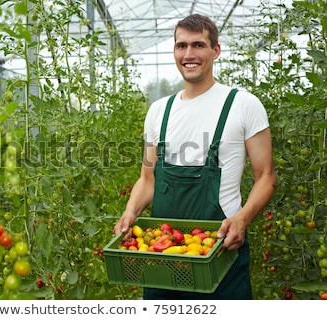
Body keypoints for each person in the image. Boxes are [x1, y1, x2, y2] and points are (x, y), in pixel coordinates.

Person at [113, 13, 277, 300]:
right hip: (161, 254)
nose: (189, 54)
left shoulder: (242, 105)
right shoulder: (158, 112)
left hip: (220, 253)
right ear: (175, 51)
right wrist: (130, 212)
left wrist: (242, 219)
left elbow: (266, 176)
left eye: (198, 45)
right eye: (181, 46)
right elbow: (147, 179)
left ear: (215, 51)